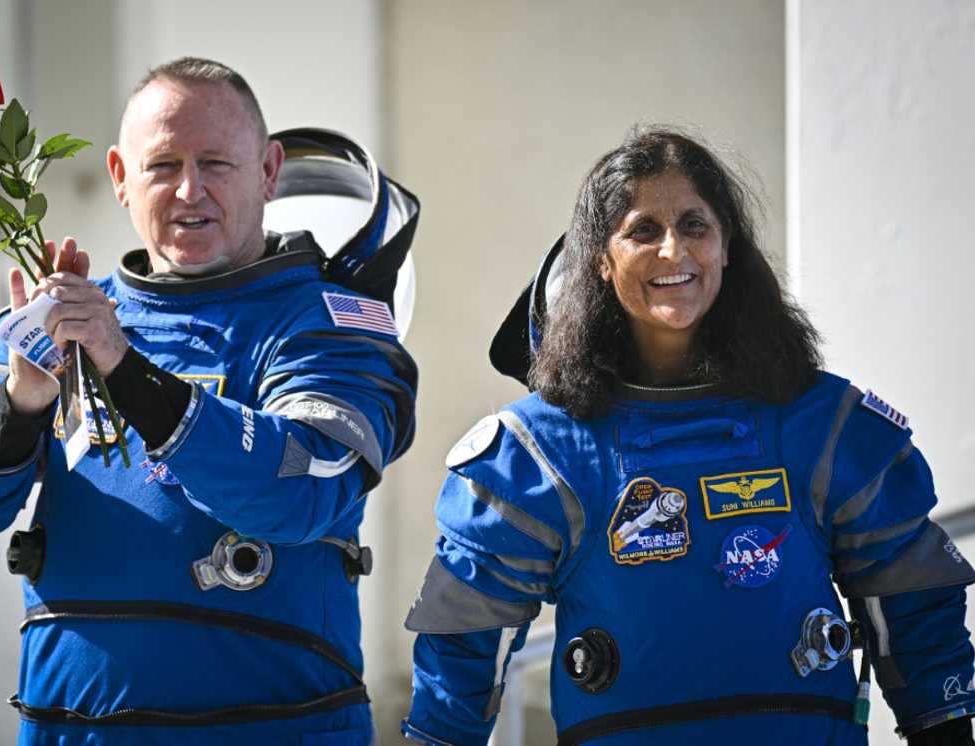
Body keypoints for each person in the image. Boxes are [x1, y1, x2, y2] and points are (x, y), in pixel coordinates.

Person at [401, 129, 975, 745]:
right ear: (600, 256)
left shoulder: (824, 425)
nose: (673, 251)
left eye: (694, 226)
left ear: (726, 245)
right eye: (643, 230)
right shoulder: (539, 453)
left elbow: (918, 619)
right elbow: (459, 659)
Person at [0, 57, 417, 745]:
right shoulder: (66, 315)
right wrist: (21, 401)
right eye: (162, 166)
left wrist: (125, 370)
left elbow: (305, 485)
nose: (190, 190)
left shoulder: (329, 321)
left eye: (216, 162)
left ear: (268, 172)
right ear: (120, 178)